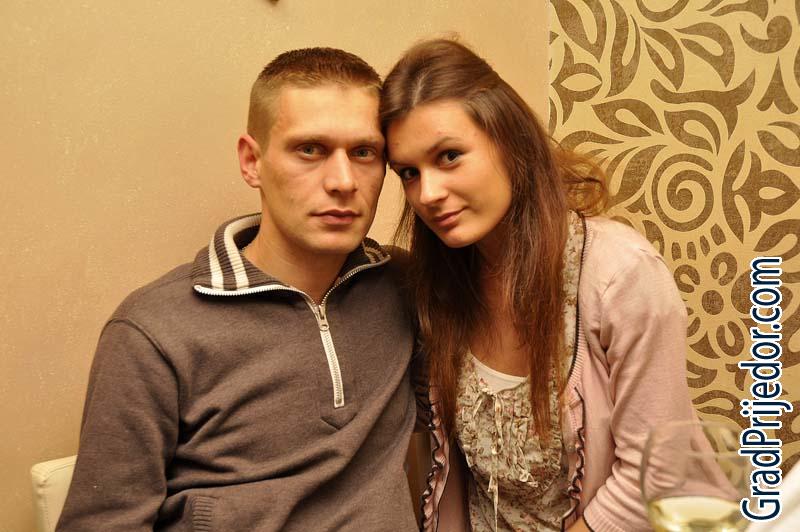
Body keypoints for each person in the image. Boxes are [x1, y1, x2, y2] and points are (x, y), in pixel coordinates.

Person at [57, 47, 419, 531]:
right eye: (310, 150)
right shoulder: (153, 331)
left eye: (364, 153)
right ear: (252, 162)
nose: (342, 181)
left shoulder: (402, 285)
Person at [381, 39, 697, 532]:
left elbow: (659, 472)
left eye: (449, 156)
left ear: (509, 140)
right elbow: (439, 466)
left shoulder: (620, 276)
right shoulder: (437, 288)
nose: (428, 193)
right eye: (408, 173)